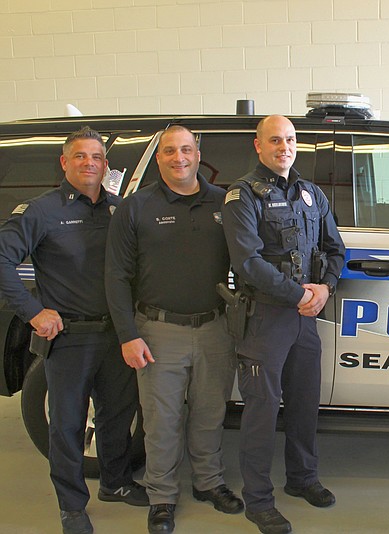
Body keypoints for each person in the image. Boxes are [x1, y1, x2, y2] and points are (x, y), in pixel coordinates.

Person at [0, 126, 146, 534]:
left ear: (105, 164)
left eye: (96, 157)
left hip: (116, 333)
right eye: (79, 156)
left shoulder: (119, 209)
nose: (89, 164)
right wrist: (32, 312)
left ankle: (115, 484)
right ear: (64, 162)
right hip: (69, 337)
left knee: (117, 417)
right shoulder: (42, 211)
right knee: (66, 424)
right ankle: (71, 505)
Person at [105, 125, 243, 534]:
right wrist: (128, 335)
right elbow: (115, 277)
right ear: (159, 157)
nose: (179, 157)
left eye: (186, 150)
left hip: (216, 328)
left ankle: (208, 482)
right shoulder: (136, 207)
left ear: (199, 155)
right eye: (170, 151)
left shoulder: (226, 203)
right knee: (161, 419)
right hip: (157, 330)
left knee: (209, 412)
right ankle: (162, 495)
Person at [221, 115, 345, 534]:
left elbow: (334, 249)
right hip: (265, 320)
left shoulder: (311, 194)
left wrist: (325, 288)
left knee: (305, 403)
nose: (284, 147)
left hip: (306, 318)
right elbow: (248, 264)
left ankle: (302, 478)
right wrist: (301, 295)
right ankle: (258, 500)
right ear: (258, 146)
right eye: (275, 140)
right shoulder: (242, 195)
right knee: (261, 411)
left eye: (290, 140)